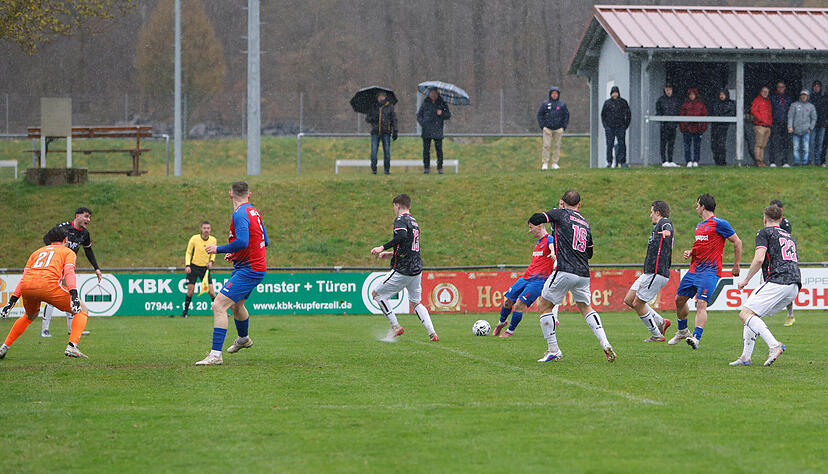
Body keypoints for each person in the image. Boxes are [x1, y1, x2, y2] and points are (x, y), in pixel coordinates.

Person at [528, 190, 616, 363]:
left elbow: (537, 218)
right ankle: (605, 342)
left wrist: (550, 215)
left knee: (544, 307)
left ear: (562, 202)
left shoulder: (560, 214)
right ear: (579, 205)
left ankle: (553, 350)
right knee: (586, 307)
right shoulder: (585, 222)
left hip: (564, 269)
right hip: (583, 273)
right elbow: (589, 253)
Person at [196, 181, 268, 366]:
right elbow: (263, 240)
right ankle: (243, 339)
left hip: (249, 269)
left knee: (218, 305)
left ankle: (215, 355)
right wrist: (235, 254)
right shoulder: (254, 211)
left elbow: (243, 241)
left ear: (230, 194)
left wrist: (217, 249)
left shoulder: (240, 213)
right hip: (250, 266)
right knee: (236, 306)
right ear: (249, 194)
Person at [0, 226, 91, 359]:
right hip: (48, 286)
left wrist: (11, 302)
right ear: (66, 239)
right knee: (82, 310)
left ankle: (4, 347)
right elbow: (69, 272)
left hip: (28, 286)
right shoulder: (68, 252)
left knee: (30, 316)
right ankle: (72, 346)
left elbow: (24, 277)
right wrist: (74, 296)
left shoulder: (36, 252)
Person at [669, 194, 742, 349]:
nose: (696, 208)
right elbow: (701, 245)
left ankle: (696, 337)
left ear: (702, 206)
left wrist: (736, 265)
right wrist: (691, 251)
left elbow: (737, 241)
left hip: (710, 271)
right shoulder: (699, 226)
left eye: (697, 205)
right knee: (679, 300)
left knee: (701, 303)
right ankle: (682, 331)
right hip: (694, 269)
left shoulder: (720, 224)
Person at [729, 205, 798, 367]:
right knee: (753, 315)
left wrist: (746, 280)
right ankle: (746, 357)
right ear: (781, 220)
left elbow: (759, 259)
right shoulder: (788, 236)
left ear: (764, 219)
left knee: (744, 313)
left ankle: (774, 345)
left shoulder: (764, 232)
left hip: (778, 280)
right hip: (794, 284)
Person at [370, 194, 438, 341]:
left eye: (394, 207)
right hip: (416, 269)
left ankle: (395, 326)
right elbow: (408, 244)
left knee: (376, 294)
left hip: (403, 269)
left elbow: (401, 236)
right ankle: (432, 332)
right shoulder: (414, 222)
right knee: (416, 303)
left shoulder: (400, 220)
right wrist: (391, 254)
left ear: (398, 205)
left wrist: (382, 247)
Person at [40, 207, 101, 338]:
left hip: (68, 267)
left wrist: (96, 268)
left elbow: (88, 251)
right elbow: (46, 238)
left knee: (70, 295)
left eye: (89, 217)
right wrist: (55, 253)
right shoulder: (64, 228)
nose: (88, 220)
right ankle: (45, 329)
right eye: (86, 216)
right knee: (52, 296)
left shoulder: (85, 233)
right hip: (56, 266)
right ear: (77, 216)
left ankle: (71, 329)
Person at [492, 219, 555, 338]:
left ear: (540, 226)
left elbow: (552, 246)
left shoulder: (549, 239)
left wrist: (553, 252)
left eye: (531, 227)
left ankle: (510, 331)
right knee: (508, 301)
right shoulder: (538, 242)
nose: (529, 230)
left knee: (519, 304)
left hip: (538, 281)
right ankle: (501, 323)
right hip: (526, 278)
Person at [623, 201, 673, 342]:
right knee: (629, 300)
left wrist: (667, 232)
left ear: (658, 212)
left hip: (657, 272)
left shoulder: (664, 222)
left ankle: (657, 335)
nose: (650, 215)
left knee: (638, 303)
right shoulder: (657, 227)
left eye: (652, 212)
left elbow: (668, 227)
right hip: (649, 272)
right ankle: (661, 321)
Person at [178, 221, 217, 318]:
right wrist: (187, 265)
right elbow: (188, 252)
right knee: (190, 291)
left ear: (210, 229)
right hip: (194, 267)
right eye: (204, 228)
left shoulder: (213, 240)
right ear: (201, 229)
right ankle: (185, 312)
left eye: (208, 228)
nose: (206, 230)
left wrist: (211, 261)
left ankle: (219, 312)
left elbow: (213, 252)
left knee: (211, 292)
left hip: (205, 269)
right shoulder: (194, 239)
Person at [768, 200, 795, 326]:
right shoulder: (769, 221)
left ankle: (790, 315)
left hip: (783, 260)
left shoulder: (785, 223)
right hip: (772, 259)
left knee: (787, 287)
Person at [417, 87, 451, 174]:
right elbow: (419, 115)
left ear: (437, 94)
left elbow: (448, 115)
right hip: (426, 130)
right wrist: (423, 123)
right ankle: (426, 168)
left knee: (439, 150)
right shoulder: (425, 103)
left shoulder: (442, 103)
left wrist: (442, 114)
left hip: (438, 130)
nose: (433, 95)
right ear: (429, 94)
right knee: (426, 151)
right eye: (431, 93)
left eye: (435, 93)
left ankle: (440, 168)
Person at [537, 86, 569, 170]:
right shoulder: (545, 104)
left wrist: (563, 127)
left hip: (558, 129)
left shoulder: (562, 104)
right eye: (553, 93)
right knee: (546, 145)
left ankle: (555, 163)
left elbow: (566, 116)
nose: (554, 95)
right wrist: (542, 126)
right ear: (550, 94)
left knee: (557, 146)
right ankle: (545, 163)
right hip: (547, 128)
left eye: (556, 93)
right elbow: (540, 115)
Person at [366, 92, 398, 175]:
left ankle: (386, 170)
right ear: (377, 97)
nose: (381, 98)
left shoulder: (390, 107)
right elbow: (367, 119)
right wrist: (373, 117)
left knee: (387, 151)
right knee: (374, 151)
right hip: (375, 132)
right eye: (379, 96)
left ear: (385, 97)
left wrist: (395, 130)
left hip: (386, 132)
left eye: (382, 96)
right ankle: (374, 169)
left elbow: (394, 119)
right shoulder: (373, 106)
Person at [601, 86, 631, 168]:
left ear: (618, 93)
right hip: (610, 128)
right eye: (613, 93)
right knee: (609, 145)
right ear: (611, 94)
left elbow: (628, 114)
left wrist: (625, 125)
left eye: (616, 92)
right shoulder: (607, 103)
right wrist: (606, 126)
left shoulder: (623, 102)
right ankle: (609, 162)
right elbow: (603, 115)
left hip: (620, 127)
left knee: (622, 144)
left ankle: (622, 161)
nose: (615, 94)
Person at [788, 89, 817, 166]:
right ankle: (796, 162)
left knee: (806, 148)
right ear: (800, 96)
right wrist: (790, 126)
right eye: (802, 95)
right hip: (796, 130)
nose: (804, 97)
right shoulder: (794, 105)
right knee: (796, 147)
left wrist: (811, 128)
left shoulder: (811, 106)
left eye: (805, 95)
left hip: (806, 131)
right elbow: (790, 117)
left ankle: (805, 163)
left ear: (808, 96)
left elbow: (814, 118)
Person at [679, 88, 707, 167]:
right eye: (690, 95)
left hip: (697, 129)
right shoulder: (685, 105)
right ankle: (688, 161)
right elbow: (682, 117)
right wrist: (683, 127)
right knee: (687, 146)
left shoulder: (701, 105)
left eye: (693, 94)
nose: (692, 96)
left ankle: (696, 161)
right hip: (687, 129)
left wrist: (702, 128)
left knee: (697, 146)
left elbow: (704, 117)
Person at [655, 83, 682, 167]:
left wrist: (676, 122)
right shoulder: (660, 100)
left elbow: (678, 111)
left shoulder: (675, 100)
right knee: (663, 143)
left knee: (671, 143)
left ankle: (670, 160)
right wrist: (662, 121)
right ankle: (664, 161)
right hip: (664, 126)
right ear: (665, 90)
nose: (668, 91)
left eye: (670, 89)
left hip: (672, 126)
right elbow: (658, 112)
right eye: (667, 89)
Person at [710, 88, 735, 166]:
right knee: (714, 145)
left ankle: (722, 162)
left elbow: (732, 113)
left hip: (724, 127)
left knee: (721, 145)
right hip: (715, 126)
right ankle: (717, 161)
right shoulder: (715, 103)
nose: (721, 96)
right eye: (720, 94)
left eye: (723, 94)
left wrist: (723, 118)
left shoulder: (730, 104)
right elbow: (712, 113)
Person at [769, 81, 792, 167]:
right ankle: (772, 161)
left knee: (785, 143)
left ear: (785, 88)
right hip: (775, 123)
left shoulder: (788, 99)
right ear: (777, 88)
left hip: (785, 123)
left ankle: (785, 161)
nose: (781, 89)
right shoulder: (773, 98)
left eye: (782, 87)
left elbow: (790, 112)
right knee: (774, 142)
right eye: (779, 87)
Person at [750, 86, 773, 167]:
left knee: (763, 146)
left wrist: (769, 122)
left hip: (767, 126)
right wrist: (761, 119)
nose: (765, 93)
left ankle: (762, 161)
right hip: (760, 125)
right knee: (758, 145)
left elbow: (770, 113)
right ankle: (758, 161)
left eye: (766, 91)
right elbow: (753, 111)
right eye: (763, 91)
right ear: (761, 92)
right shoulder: (757, 100)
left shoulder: (768, 101)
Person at [809, 81, 826, 165]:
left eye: (818, 86)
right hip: (812, 125)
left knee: (819, 144)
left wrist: (825, 121)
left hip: (822, 124)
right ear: (813, 87)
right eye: (815, 86)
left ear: (820, 88)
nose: (816, 87)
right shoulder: (810, 98)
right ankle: (810, 161)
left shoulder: (823, 98)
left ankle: (817, 162)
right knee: (811, 143)